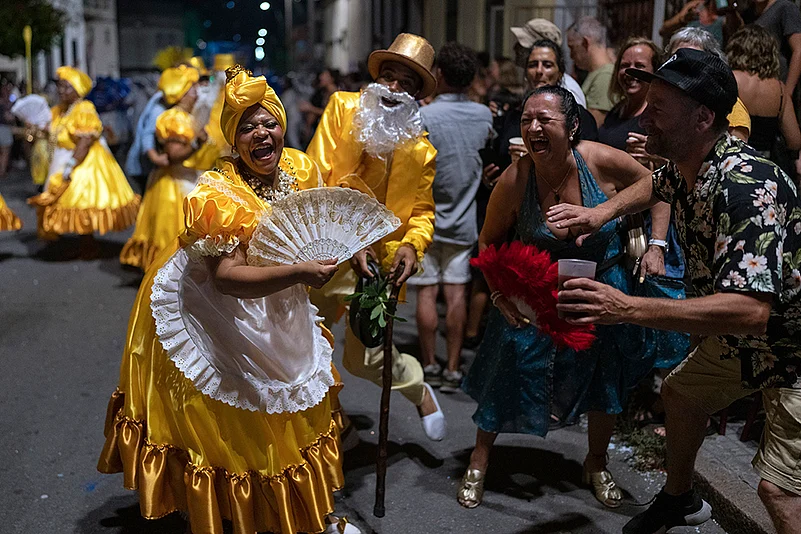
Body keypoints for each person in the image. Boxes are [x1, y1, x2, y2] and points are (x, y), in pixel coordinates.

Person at [98, 65, 360, 534]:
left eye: (269, 122)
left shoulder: (299, 167)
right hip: (215, 310)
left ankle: (296, 511)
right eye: (247, 126)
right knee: (236, 424)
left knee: (292, 411)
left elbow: (320, 218)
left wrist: (351, 250)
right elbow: (227, 278)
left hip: (276, 303)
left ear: (283, 126)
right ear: (232, 138)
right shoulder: (217, 196)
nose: (261, 134)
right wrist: (302, 272)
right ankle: (240, 512)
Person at [548, 48, 801, 534]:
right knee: (682, 392)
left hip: (791, 351)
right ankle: (679, 499)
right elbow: (656, 186)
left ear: (704, 117)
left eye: (659, 107)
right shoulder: (690, 164)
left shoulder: (746, 186)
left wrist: (625, 307)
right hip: (748, 346)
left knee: (780, 491)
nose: (645, 116)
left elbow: (749, 310)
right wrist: (597, 214)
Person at [458, 85, 671, 510]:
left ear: (572, 127)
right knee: (508, 372)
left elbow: (660, 186)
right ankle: (478, 460)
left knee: (603, 382)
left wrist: (656, 245)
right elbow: (488, 241)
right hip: (534, 299)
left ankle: (596, 463)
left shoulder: (598, 159)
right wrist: (499, 294)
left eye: (544, 120)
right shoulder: (515, 179)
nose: (533, 128)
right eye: (526, 120)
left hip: (601, 291)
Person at [306, 33, 446, 441]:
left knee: (363, 359)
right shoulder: (342, 108)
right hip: (324, 249)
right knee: (302, 343)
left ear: (418, 95)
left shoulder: (421, 151)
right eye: (389, 76)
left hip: (376, 269)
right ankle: (326, 422)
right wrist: (350, 237)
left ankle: (419, 390)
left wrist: (410, 245)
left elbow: (421, 214)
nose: (394, 88)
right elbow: (316, 178)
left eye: (406, 82)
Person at [408, 42, 493, 393]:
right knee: (456, 294)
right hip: (464, 221)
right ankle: (454, 368)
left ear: (438, 74)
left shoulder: (424, 117)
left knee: (427, 294)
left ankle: (429, 364)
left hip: (426, 220)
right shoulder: (485, 116)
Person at [28, 67, 140, 255]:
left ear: (77, 89)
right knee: (62, 200)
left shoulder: (84, 109)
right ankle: (76, 241)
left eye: (66, 87)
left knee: (81, 201)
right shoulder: (59, 111)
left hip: (84, 161)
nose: (61, 91)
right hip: (61, 158)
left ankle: (87, 242)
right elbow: (51, 132)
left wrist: (72, 164)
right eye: (60, 86)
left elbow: (85, 141)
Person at [119, 66, 205, 270]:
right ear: (182, 92)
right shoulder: (173, 118)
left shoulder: (185, 115)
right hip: (173, 187)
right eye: (193, 88)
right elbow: (174, 155)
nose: (197, 93)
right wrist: (197, 144)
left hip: (183, 180)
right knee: (171, 237)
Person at [726, 25, 801, 172]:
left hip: (732, 162)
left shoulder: (730, 79)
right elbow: (794, 141)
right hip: (764, 165)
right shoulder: (779, 89)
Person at [665, 27, 752, 142]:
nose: (682, 65)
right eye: (676, 58)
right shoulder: (669, 97)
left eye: (692, 58)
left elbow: (734, 156)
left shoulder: (732, 108)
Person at [510, 18, 587, 107]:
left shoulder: (568, 91)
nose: (516, 48)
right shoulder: (533, 82)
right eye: (533, 65)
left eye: (523, 44)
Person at [567, 16, 616, 126]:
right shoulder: (597, 74)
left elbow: (593, 124)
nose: (571, 56)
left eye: (572, 48)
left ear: (585, 43)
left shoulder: (605, 76)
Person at [659, 0, 736, 45]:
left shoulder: (727, 12)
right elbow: (663, 30)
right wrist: (684, 19)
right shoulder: (695, 6)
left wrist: (731, 10)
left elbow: (736, 32)